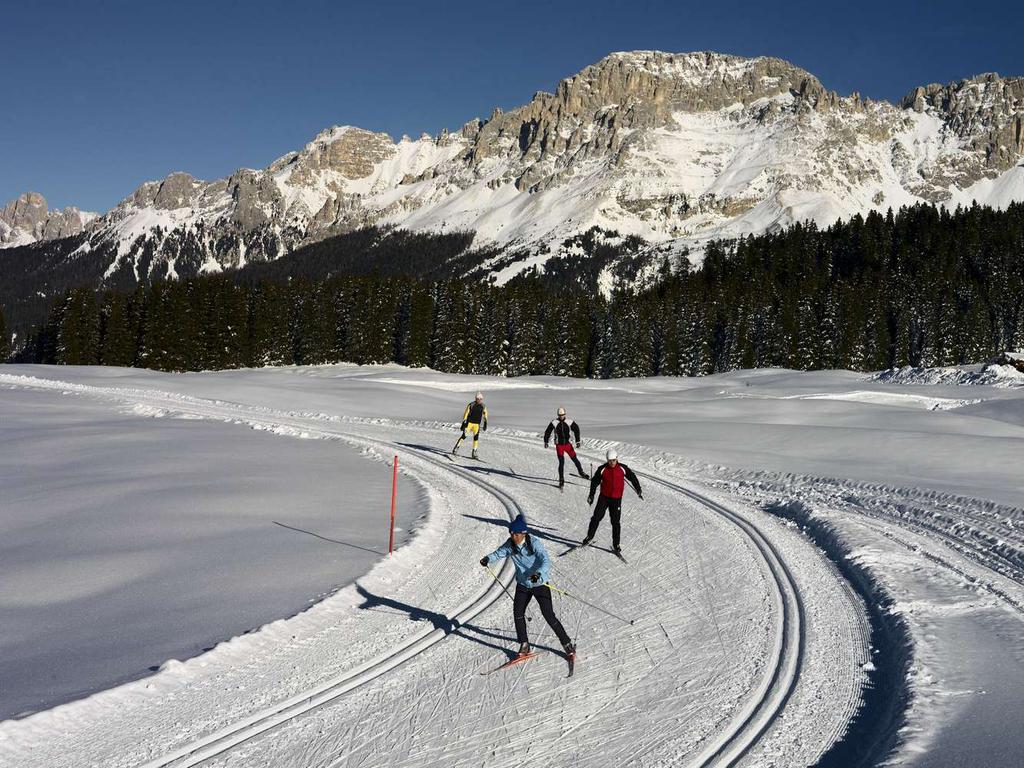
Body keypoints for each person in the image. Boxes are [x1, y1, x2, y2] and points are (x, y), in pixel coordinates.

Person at [480, 514, 575, 660]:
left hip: (539, 584)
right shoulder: (510, 544)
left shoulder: (534, 543)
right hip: (523, 584)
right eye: (511, 533)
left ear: (523, 533)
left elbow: (546, 561)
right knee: (518, 613)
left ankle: (567, 643)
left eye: (515, 533)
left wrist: (537, 574)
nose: (512, 536)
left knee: (548, 614)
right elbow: (499, 553)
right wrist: (488, 559)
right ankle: (524, 644)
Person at [583, 449, 643, 555]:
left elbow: (632, 477)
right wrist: (591, 495)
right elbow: (595, 481)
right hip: (604, 498)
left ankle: (616, 544)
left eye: (614, 460)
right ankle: (589, 537)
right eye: (610, 461)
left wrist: (638, 489)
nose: (612, 463)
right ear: (607, 460)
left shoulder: (622, 468)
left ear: (617, 459)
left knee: (615, 522)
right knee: (596, 517)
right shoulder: (602, 469)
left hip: (616, 500)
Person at [543, 407, 589, 488]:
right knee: (561, 462)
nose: (561, 416)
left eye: (563, 415)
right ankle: (561, 479)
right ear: (558, 415)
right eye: (560, 415)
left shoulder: (569, 422)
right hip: (559, 446)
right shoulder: (554, 422)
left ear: (565, 414)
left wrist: (578, 441)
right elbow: (548, 431)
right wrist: (546, 441)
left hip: (568, 445)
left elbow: (576, 429)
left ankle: (581, 472)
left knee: (575, 459)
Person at [453, 392, 488, 459]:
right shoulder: (471, 405)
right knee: (464, 436)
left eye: (481, 399)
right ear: (476, 398)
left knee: (476, 438)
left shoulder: (483, 406)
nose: (479, 400)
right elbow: (466, 413)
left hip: (477, 425)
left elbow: (485, 414)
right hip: (469, 423)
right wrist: (464, 422)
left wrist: (485, 423)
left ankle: (474, 452)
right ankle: (456, 447)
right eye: (478, 399)